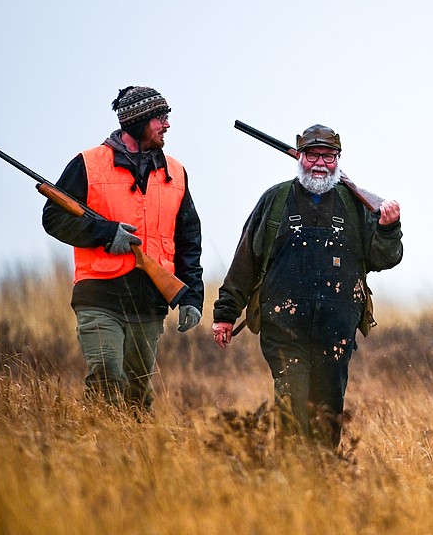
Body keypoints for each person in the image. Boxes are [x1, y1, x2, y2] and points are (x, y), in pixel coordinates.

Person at [211, 124, 403, 448]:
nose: (319, 163)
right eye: (312, 154)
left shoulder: (355, 205)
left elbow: (385, 258)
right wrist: (225, 313)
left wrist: (388, 228)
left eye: (328, 156)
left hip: (336, 333)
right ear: (298, 156)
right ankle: (291, 480)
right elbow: (246, 259)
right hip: (284, 330)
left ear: (338, 159)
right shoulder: (275, 200)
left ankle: (325, 480)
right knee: (291, 407)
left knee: (328, 414)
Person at [42, 85, 204, 412]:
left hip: (149, 301)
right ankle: (98, 453)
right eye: (160, 118)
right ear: (138, 121)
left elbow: (188, 239)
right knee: (105, 377)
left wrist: (191, 295)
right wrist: (104, 233)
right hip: (99, 295)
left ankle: (132, 458)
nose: (167, 124)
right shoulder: (87, 164)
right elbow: (54, 217)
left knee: (136, 394)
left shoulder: (176, 172)